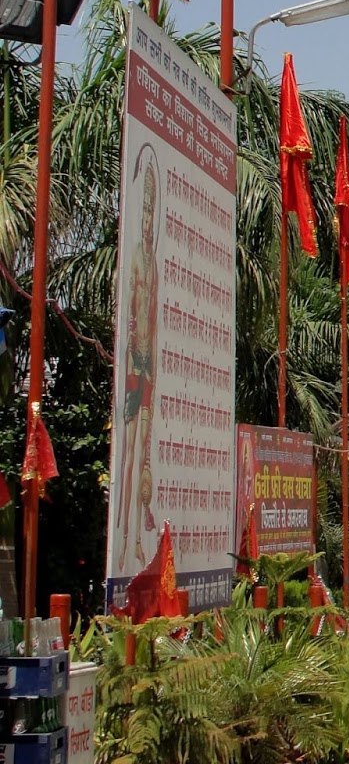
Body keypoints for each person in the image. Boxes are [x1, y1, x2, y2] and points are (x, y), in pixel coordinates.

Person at [117, 148, 161, 574]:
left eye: (150, 209)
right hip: (135, 370)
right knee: (129, 456)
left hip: (148, 373)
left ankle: (135, 542)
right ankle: (126, 536)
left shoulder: (154, 262)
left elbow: (154, 322)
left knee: (144, 454)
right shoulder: (137, 260)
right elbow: (134, 317)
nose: (146, 218)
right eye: (143, 209)